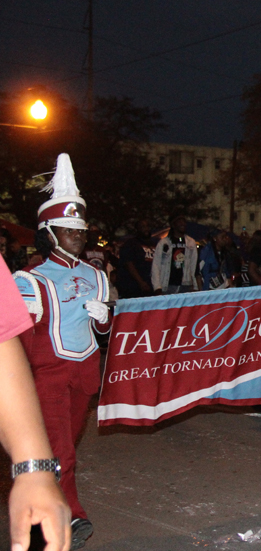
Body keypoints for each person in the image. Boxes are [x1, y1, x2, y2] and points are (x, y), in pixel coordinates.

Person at [13, 154, 111, 548]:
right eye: (69, 230)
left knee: (62, 446)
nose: (78, 236)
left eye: (81, 230)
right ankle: (69, 516)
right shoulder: (30, 279)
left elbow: (104, 330)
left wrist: (104, 318)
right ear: (49, 232)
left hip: (84, 374)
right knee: (60, 451)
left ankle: (45, 514)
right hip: (48, 376)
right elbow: (17, 342)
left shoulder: (97, 275)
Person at [1, 256, 72, 551]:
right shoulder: (32, 277)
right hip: (49, 370)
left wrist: (34, 468)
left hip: (70, 370)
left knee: (65, 448)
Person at [151, 214, 199, 294]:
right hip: (168, 285)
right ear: (173, 225)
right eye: (179, 221)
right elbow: (156, 265)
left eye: (184, 221)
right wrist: (157, 287)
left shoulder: (191, 242)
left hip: (185, 285)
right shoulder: (164, 243)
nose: (182, 224)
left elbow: (194, 265)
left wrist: (195, 285)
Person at [116, 219, 158, 299]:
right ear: (137, 229)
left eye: (147, 226)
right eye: (142, 227)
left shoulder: (154, 244)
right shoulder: (131, 244)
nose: (145, 229)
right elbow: (128, 264)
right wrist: (140, 282)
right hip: (135, 286)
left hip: (151, 284)